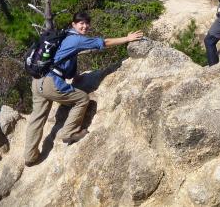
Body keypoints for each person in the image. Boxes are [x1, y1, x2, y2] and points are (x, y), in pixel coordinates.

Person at [24, 11, 143, 166]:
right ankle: (69, 132)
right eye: (81, 23)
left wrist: (74, 75)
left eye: (87, 23)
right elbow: (103, 43)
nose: (85, 26)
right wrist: (127, 39)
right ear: (73, 24)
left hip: (37, 80)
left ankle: (30, 157)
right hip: (50, 82)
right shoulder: (77, 39)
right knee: (82, 99)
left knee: (37, 119)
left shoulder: (63, 35)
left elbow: (64, 59)